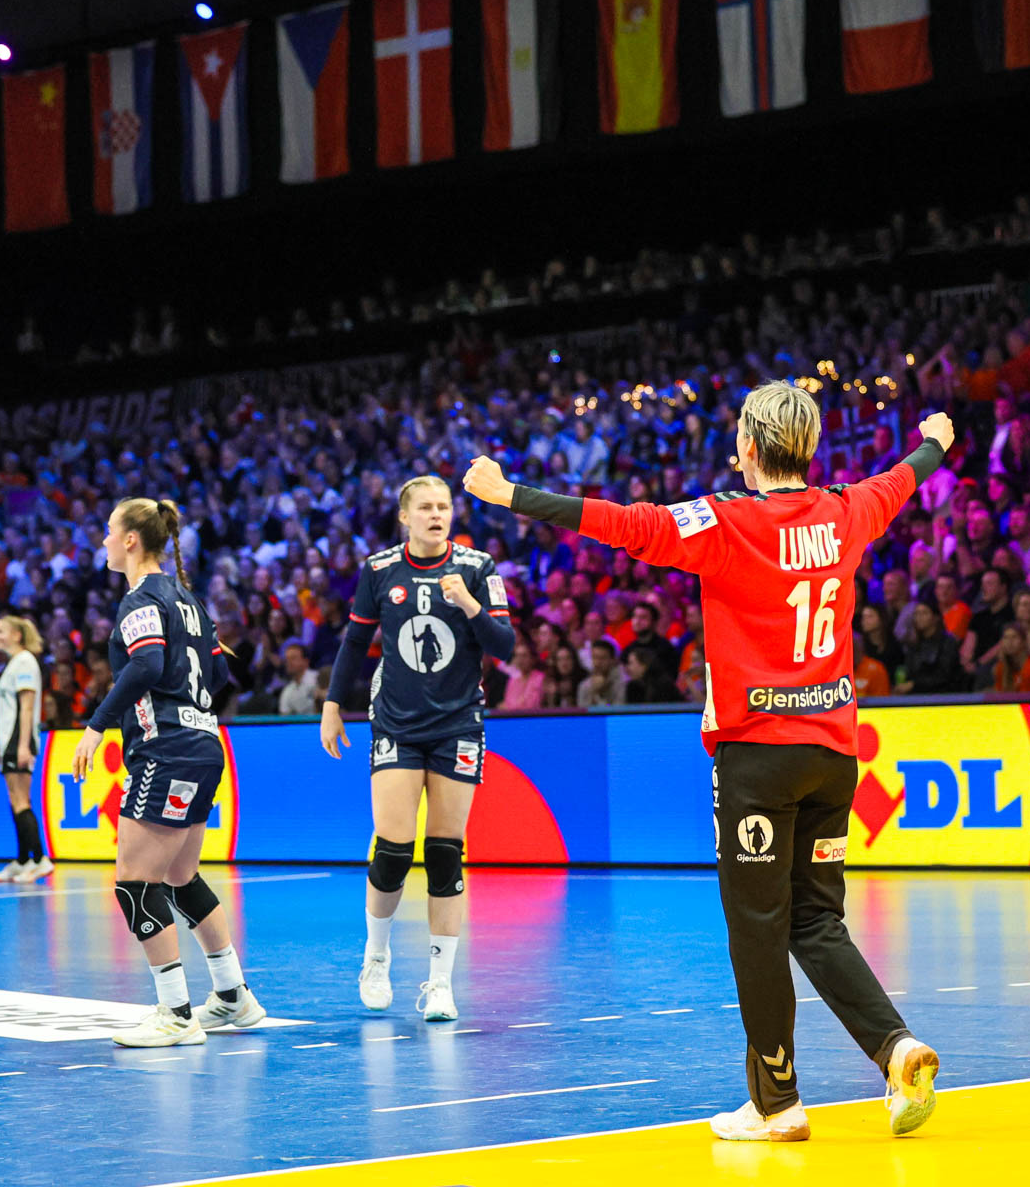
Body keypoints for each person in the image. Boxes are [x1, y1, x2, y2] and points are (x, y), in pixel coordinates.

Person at [465, 383, 947, 1142]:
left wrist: (507, 493)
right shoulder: (847, 509)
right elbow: (905, 474)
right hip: (834, 755)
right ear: (810, 447)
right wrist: (937, 439)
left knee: (758, 927)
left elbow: (619, 524)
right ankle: (895, 1046)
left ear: (749, 449)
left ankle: (777, 1102)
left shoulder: (725, 521)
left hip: (757, 757)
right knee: (817, 920)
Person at [320, 476, 515, 1023]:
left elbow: (507, 647)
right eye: (425, 508)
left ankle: (439, 983)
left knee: (447, 852)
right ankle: (376, 957)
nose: (437, 515)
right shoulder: (380, 569)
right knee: (394, 849)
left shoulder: (478, 569)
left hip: (458, 724)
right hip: (397, 725)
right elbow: (355, 642)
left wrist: (471, 606)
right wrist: (334, 704)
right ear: (405, 517)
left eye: (444, 507)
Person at [71, 498, 266, 1045]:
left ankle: (175, 1013)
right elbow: (224, 673)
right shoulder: (191, 602)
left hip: (166, 750)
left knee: (134, 884)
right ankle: (232, 997)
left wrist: (97, 726)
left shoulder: (140, 599)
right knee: (180, 878)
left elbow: (148, 665)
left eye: (109, 531)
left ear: (132, 539)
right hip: (204, 743)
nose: (105, 541)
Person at [0, 616, 50, 884]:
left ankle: (39, 860)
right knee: (16, 801)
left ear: (16, 634)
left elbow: (27, 707)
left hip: (19, 741)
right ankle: (23, 859)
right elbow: (10, 711)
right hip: (10, 742)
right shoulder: (13, 664)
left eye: (0, 631)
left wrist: (22, 745)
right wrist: (0, 747)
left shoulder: (24, 661)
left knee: (22, 801)